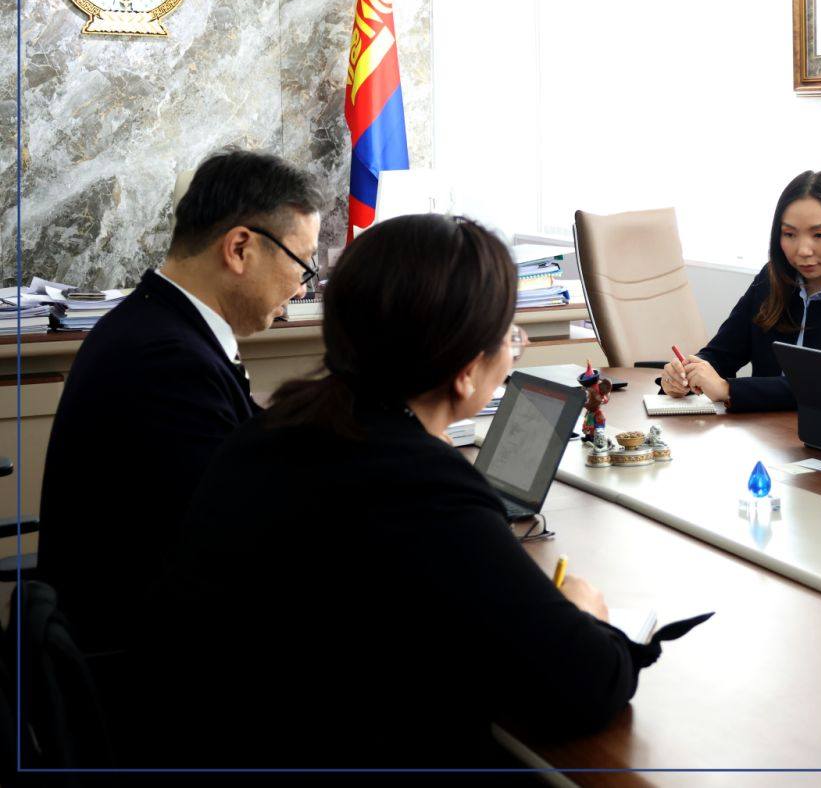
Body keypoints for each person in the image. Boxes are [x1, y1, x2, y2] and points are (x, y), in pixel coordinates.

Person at [155, 214, 652, 768]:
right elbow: (586, 684)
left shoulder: (277, 428)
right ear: (466, 371)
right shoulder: (420, 486)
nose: (517, 347)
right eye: (509, 335)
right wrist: (586, 614)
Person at [37, 148, 324, 654]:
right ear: (240, 248)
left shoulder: (159, 323)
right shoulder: (167, 361)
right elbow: (232, 542)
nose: (302, 290)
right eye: (303, 265)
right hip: (146, 666)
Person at [663, 170, 821, 423]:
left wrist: (728, 389)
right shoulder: (771, 280)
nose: (803, 250)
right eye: (790, 234)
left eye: (819, 235)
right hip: (769, 433)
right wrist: (687, 373)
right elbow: (722, 353)